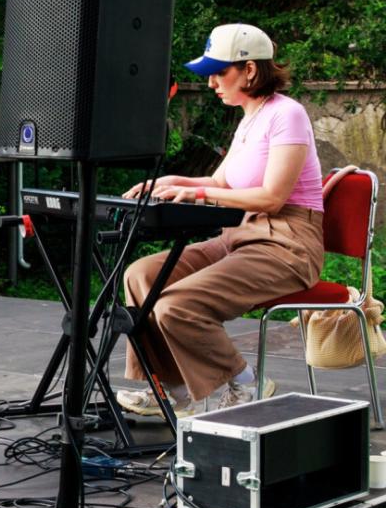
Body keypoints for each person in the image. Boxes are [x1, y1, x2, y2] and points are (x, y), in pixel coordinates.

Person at [117, 23, 324, 416]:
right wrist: (172, 182)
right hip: (240, 235)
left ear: (250, 70)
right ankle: (173, 390)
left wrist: (199, 194)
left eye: (219, 72)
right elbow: (220, 182)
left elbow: (272, 197)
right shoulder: (249, 118)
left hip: (287, 244)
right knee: (141, 276)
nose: (211, 82)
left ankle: (246, 382)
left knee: (177, 305)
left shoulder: (288, 115)